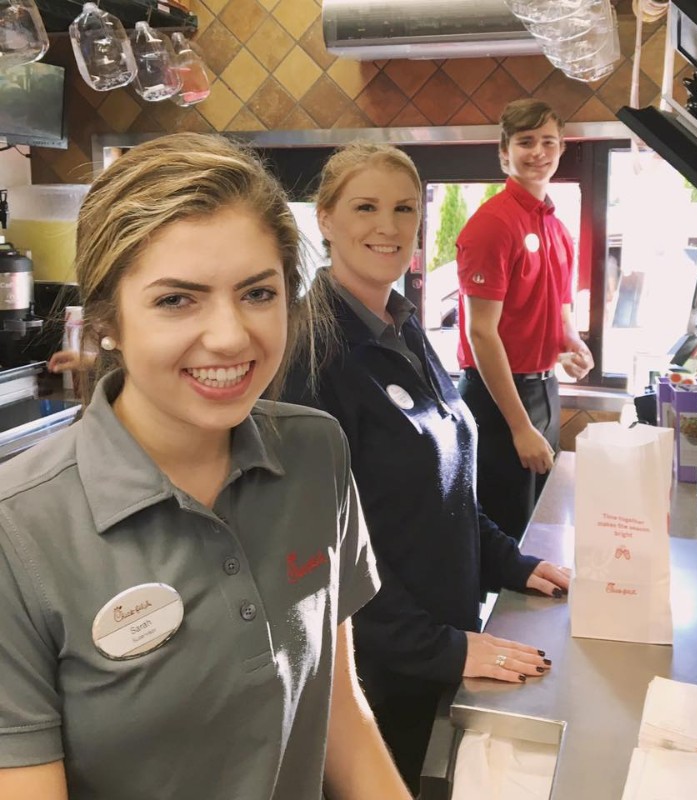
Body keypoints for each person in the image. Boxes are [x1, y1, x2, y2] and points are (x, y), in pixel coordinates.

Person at [0, 133, 412, 800]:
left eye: (257, 293)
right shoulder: (19, 531)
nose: (228, 335)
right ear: (107, 319)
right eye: (176, 300)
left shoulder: (315, 454)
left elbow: (338, 711)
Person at [282, 142, 570, 794]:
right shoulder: (311, 350)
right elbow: (311, 553)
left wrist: (511, 561)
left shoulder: (403, 326)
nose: (388, 226)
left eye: (404, 208)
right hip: (373, 677)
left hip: (433, 651)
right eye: (366, 207)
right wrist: (439, 648)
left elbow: (443, 494)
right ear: (325, 218)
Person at [456, 99, 595, 542]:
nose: (539, 152)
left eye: (549, 141)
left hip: (543, 391)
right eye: (526, 141)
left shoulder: (556, 227)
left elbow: (560, 308)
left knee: (539, 523)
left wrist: (571, 343)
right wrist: (519, 427)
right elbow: (481, 332)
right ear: (504, 153)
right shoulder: (492, 224)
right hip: (498, 400)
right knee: (502, 531)